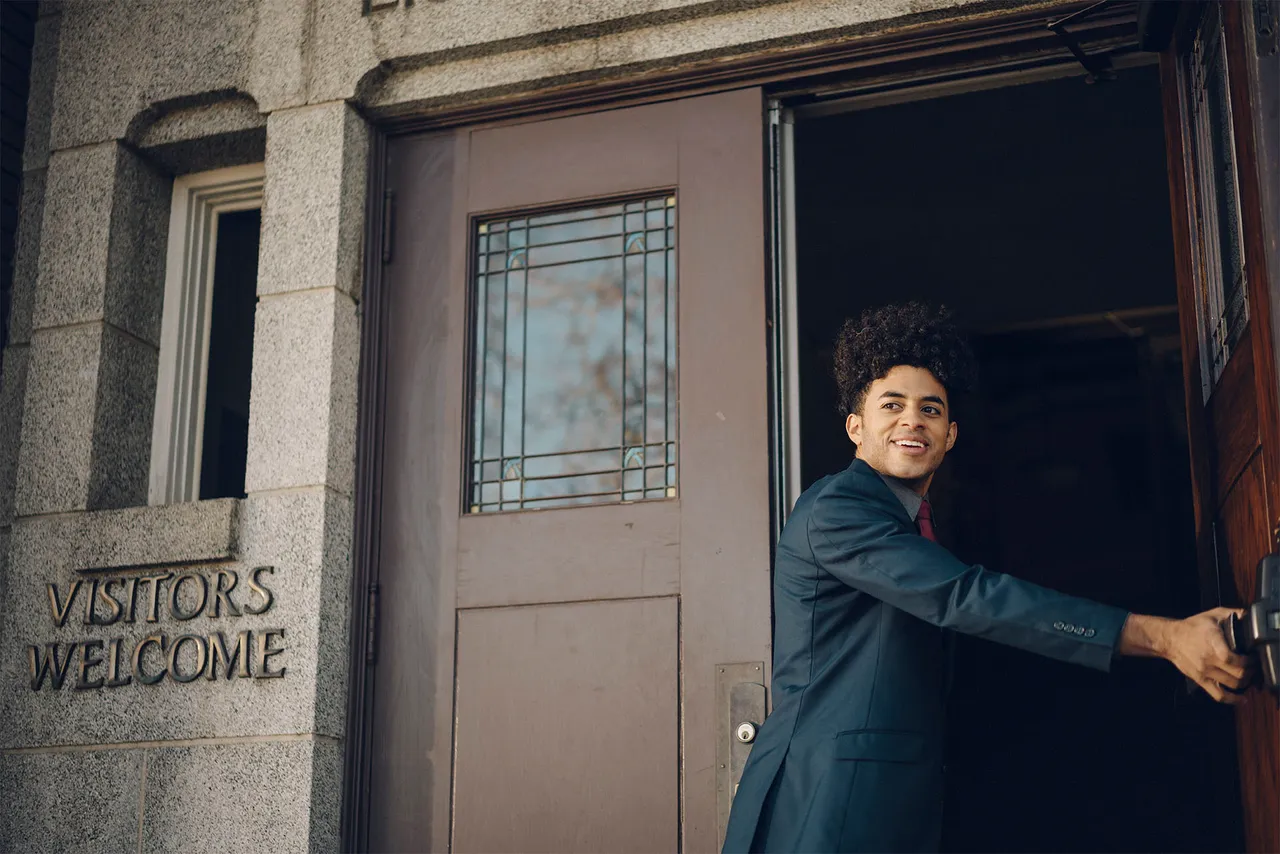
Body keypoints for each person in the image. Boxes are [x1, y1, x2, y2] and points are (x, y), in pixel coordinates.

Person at [721, 302, 1251, 854]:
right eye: (892, 405)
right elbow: (962, 596)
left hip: (894, 800)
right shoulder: (837, 509)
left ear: (949, 435)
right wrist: (1166, 637)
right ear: (856, 427)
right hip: (824, 802)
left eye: (930, 409)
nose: (912, 419)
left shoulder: (914, 526)